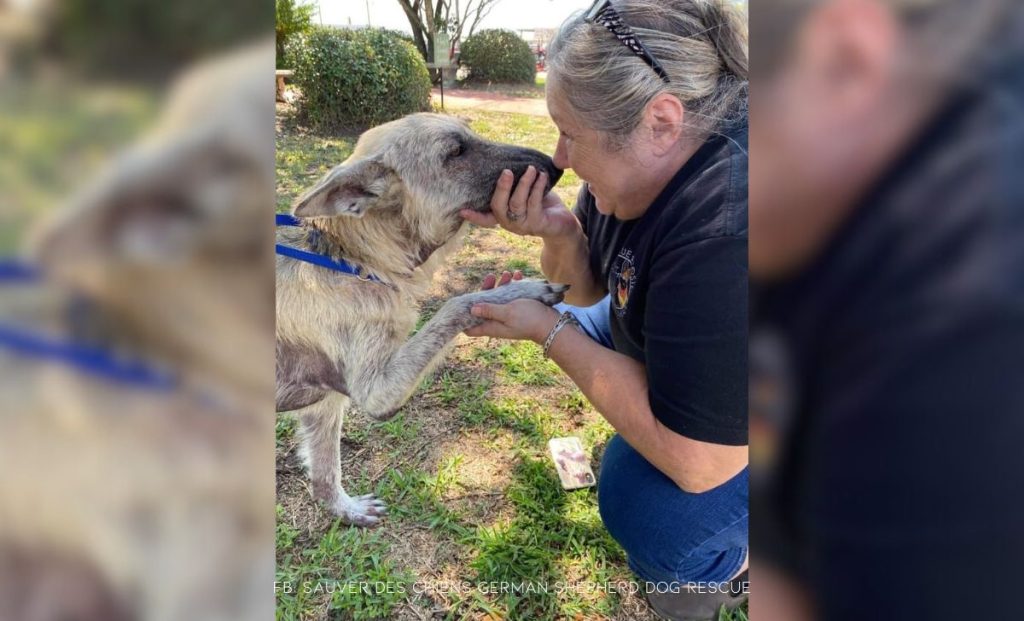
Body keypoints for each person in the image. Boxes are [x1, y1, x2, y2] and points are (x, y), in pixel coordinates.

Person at [460, 1, 749, 618]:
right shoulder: (626, 177)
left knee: (653, 509)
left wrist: (547, 332)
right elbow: (595, 294)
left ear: (662, 122)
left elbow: (703, 462)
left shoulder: (727, 225)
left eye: (570, 133)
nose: (559, 158)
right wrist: (560, 235)